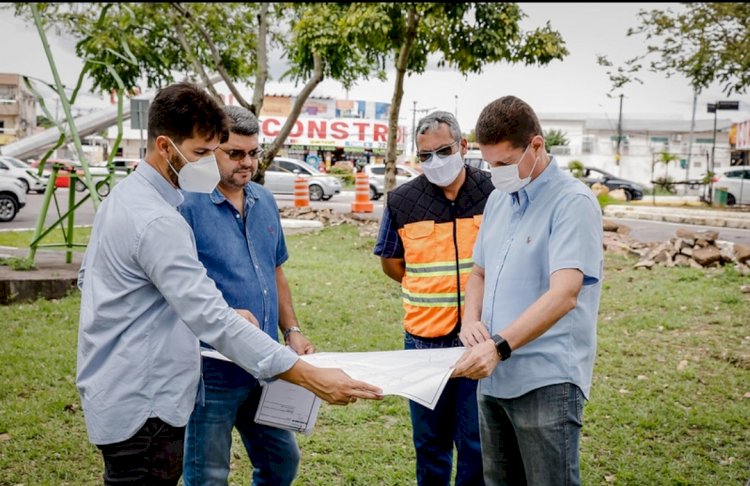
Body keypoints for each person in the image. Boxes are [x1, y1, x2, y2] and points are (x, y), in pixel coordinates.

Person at [76, 81, 382, 485]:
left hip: (127, 392)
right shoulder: (160, 219)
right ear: (165, 147)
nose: (211, 163)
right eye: (203, 153)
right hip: (147, 405)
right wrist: (309, 375)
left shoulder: (128, 198)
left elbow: (123, 287)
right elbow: (211, 318)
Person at [452, 95, 604, 485]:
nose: (496, 172)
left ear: (536, 145)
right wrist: (470, 320)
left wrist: (499, 345)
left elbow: (565, 293)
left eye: (504, 163)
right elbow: (480, 273)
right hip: (493, 376)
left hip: (546, 379)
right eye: (489, 165)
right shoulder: (499, 200)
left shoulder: (572, 202)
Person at [179, 105, 311, 485]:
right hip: (213, 369)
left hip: (265, 363)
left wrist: (293, 331)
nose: (247, 162)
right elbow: (177, 287)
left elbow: (276, 271)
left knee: (281, 461)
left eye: (254, 153)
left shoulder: (263, 200)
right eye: (235, 153)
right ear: (211, 151)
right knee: (208, 476)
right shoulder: (186, 203)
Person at [373, 111, 494, 486]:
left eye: (443, 151)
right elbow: (392, 262)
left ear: (462, 146)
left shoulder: (494, 193)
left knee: (475, 442)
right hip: (424, 340)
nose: (435, 162)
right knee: (430, 442)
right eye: (425, 156)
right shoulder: (402, 200)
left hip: (480, 338)